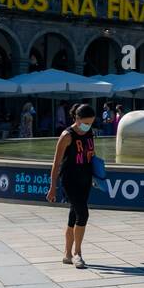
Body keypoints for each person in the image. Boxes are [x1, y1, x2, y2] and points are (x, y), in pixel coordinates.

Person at [47, 103, 97, 269]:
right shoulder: (67, 136)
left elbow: (91, 154)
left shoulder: (89, 132)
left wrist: (97, 174)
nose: (88, 126)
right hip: (70, 180)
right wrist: (53, 187)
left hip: (86, 178)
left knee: (74, 215)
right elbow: (56, 163)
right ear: (77, 119)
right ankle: (78, 254)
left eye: (91, 123)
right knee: (83, 214)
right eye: (86, 122)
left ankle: (67, 254)